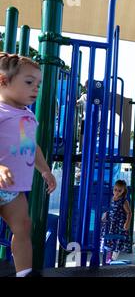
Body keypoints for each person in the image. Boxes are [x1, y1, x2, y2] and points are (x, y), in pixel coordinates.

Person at [0, 53, 57, 277]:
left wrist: (44, 170)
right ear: (3, 80)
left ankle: (24, 274)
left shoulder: (27, 115)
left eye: (38, 84)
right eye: (29, 82)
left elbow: (31, 146)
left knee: (23, 227)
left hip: (13, 190)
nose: (36, 88)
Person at [101, 179, 132, 263]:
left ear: (123, 191)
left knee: (118, 240)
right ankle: (108, 256)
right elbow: (111, 209)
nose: (117, 192)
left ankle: (113, 258)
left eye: (119, 190)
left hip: (119, 224)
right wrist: (105, 214)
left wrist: (127, 223)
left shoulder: (124, 201)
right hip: (111, 223)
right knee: (109, 239)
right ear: (113, 189)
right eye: (115, 190)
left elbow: (129, 213)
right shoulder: (112, 198)